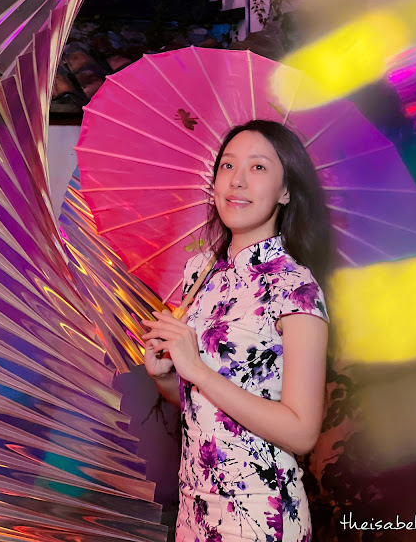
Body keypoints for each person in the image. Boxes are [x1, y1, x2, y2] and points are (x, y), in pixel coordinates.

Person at [143, 119, 333, 541]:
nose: (237, 180)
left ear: (286, 192)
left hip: (260, 512)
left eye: (258, 167)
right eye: (227, 165)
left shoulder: (295, 286)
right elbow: (202, 406)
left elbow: (302, 431)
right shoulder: (200, 273)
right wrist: (166, 377)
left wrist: (198, 369)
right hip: (193, 509)